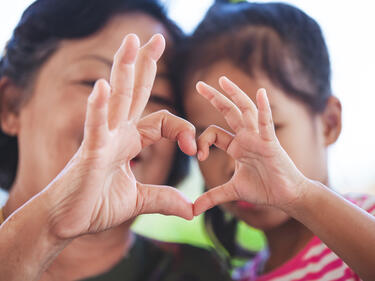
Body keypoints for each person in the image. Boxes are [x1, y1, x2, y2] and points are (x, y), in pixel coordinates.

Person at [0, 0, 231, 280]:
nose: (130, 119)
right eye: (97, 83)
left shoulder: (200, 273)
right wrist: (44, 231)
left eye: (158, 99)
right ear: (11, 106)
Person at [181, 2, 375, 280]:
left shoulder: (367, 222)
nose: (239, 163)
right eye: (212, 144)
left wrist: (303, 197)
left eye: (265, 131)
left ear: (329, 124)